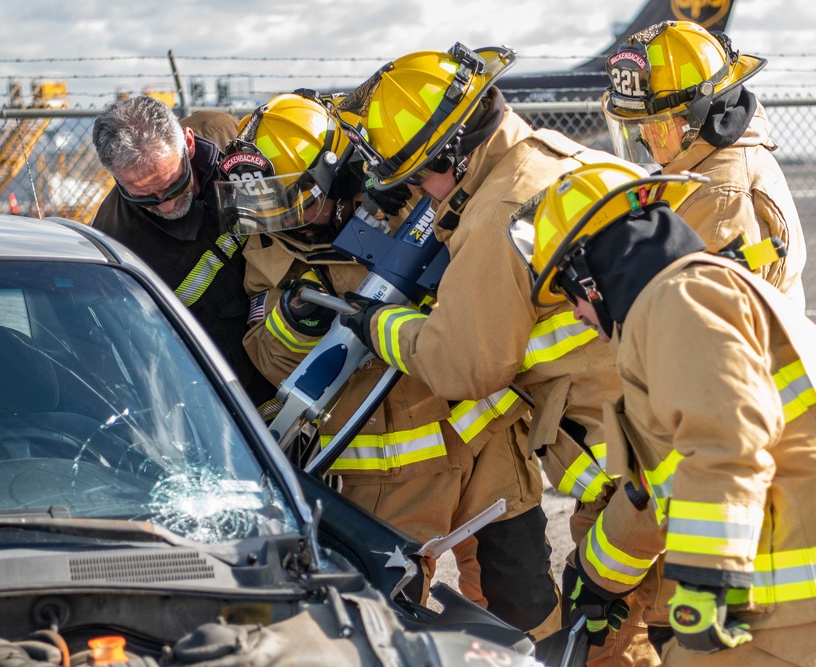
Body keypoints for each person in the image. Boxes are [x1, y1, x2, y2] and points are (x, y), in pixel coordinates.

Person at [332, 43, 658, 665]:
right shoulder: (560, 159)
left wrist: (383, 324)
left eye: (422, 178)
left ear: (454, 152)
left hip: (629, 473)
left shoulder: (494, 216)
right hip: (671, 431)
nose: (423, 199)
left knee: (614, 643)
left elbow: (465, 367)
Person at [218, 90, 559, 637]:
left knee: (525, 609)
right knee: (383, 626)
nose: (283, 222)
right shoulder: (267, 246)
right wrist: (295, 321)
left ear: (331, 176)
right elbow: (266, 353)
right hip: (382, 470)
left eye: (295, 202)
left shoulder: (411, 190)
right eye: (265, 207)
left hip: (479, 439)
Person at [511, 160, 816, 666]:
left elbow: (723, 444)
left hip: (784, 598)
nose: (575, 315)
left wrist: (705, 582)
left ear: (591, 279)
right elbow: (662, 488)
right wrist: (597, 575)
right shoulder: (687, 299)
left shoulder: (679, 302)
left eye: (568, 295)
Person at [90, 96, 278, 418]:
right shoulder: (117, 242)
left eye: (173, 185)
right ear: (116, 177)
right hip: (233, 404)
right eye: (143, 197)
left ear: (188, 144)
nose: (164, 205)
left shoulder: (231, 139)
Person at [602, 20, 806, 308]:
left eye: (657, 125)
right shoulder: (703, 167)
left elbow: (705, 326)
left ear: (698, 115)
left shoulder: (722, 197)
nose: (646, 136)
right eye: (637, 127)